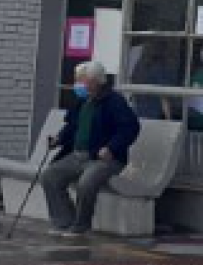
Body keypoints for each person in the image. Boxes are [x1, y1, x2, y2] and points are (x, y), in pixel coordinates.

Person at [42, 61, 141, 237]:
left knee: (86, 182)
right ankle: (64, 221)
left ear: (95, 81)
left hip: (105, 159)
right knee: (50, 176)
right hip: (77, 155)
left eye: (81, 80)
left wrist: (111, 147)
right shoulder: (82, 101)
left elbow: (130, 128)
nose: (77, 84)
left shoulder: (114, 101)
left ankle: (81, 226)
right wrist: (59, 139)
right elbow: (72, 126)